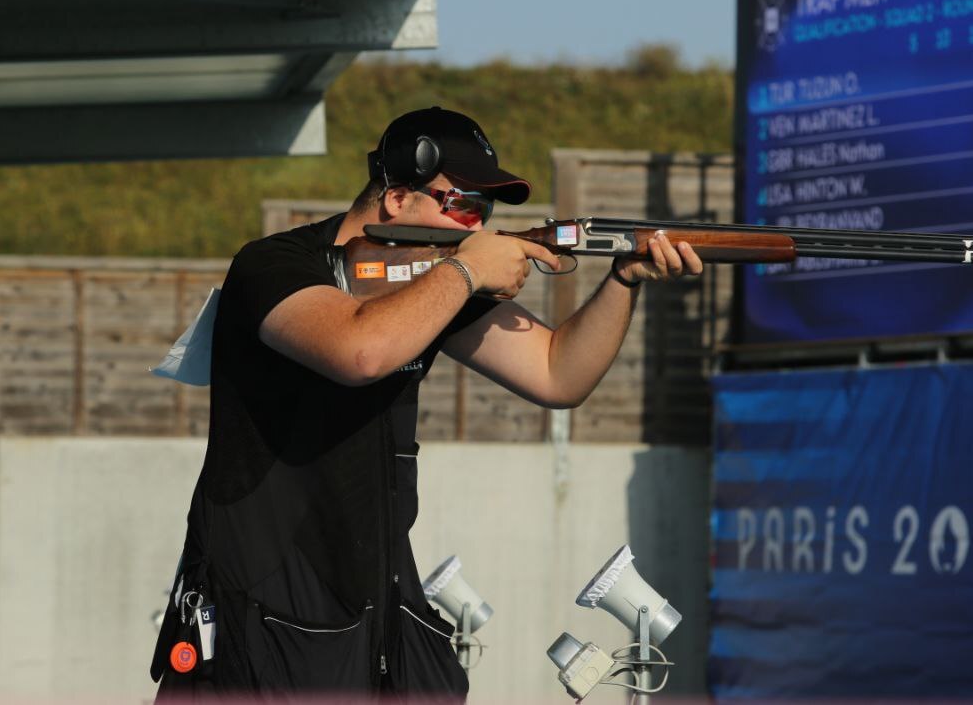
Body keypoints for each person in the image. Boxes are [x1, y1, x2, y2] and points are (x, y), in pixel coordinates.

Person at [152, 107, 702, 700]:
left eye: (485, 211)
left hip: (378, 600)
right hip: (266, 606)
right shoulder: (273, 265)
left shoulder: (431, 284)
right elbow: (360, 350)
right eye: (463, 205)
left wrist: (624, 279)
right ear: (396, 199)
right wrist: (467, 269)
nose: (477, 225)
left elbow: (557, 374)